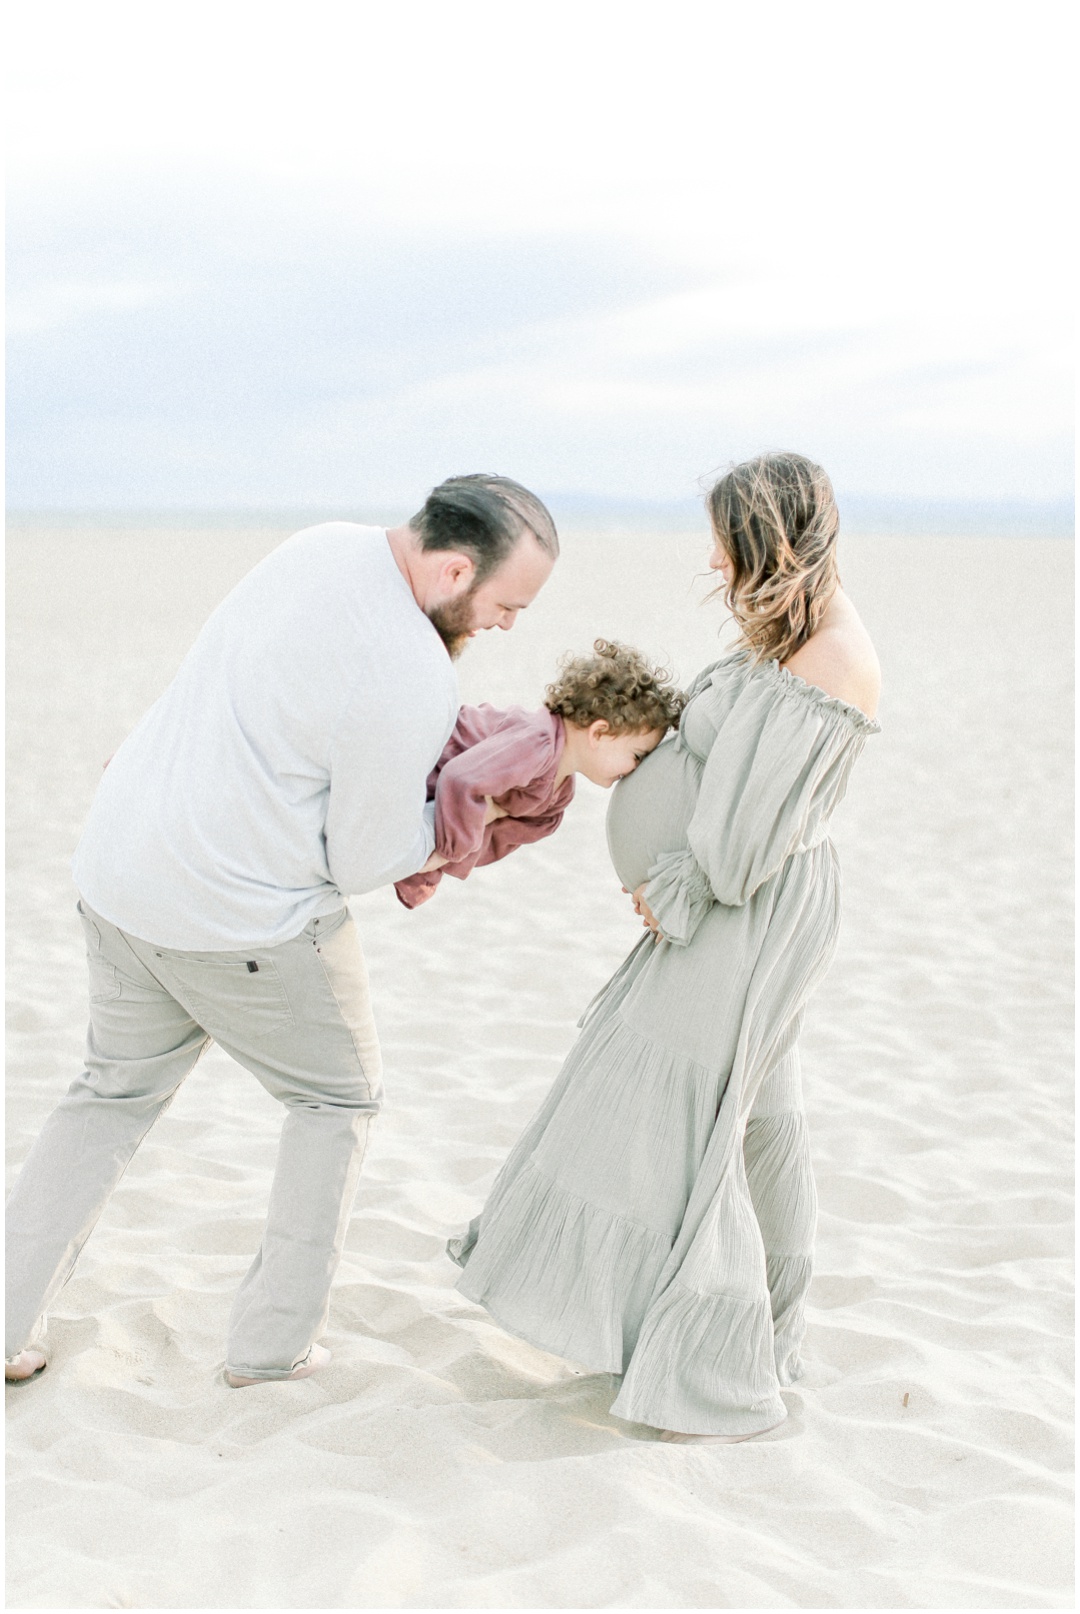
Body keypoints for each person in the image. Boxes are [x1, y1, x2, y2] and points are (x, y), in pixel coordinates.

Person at [5, 473, 558, 1387]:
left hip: (118, 867)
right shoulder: (410, 668)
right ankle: (271, 1349)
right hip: (237, 917)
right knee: (336, 1102)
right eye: (506, 604)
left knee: (107, 1095)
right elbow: (363, 859)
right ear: (456, 568)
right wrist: (478, 813)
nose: (506, 625)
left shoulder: (317, 544)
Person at [450, 452, 881, 1443]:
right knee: (754, 1109)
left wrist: (674, 885)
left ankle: (734, 1339)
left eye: (730, 548)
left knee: (708, 1110)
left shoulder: (836, 657)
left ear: (771, 539)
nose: (720, 569)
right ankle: (760, 1329)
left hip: (748, 905)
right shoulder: (787, 631)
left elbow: (744, 839)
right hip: (733, 900)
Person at [394, 640, 685, 910]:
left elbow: (494, 840)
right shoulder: (538, 743)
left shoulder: (555, 801)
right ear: (599, 732)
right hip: (413, 755)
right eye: (637, 756)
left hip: (423, 807)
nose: (636, 769)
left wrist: (450, 854)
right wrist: (447, 852)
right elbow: (460, 778)